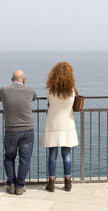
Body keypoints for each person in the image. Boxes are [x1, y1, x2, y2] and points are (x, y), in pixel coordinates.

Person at [0, 70, 36, 195]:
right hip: (27, 130)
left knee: (9, 157)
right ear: (24, 80)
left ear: (12, 79)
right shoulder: (30, 90)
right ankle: (20, 186)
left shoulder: (4, 90)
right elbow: (34, 98)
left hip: (11, 129)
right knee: (25, 159)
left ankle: (11, 184)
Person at [41, 61, 78, 192]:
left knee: (52, 155)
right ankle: (68, 183)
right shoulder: (72, 91)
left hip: (52, 124)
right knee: (66, 155)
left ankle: (51, 183)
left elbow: (50, 103)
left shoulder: (50, 90)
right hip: (67, 125)